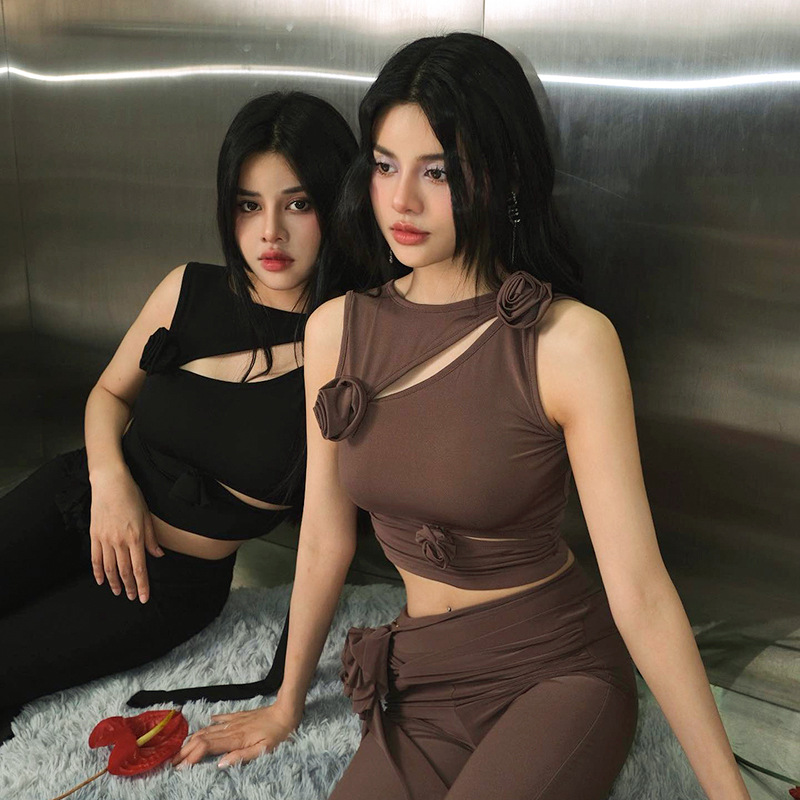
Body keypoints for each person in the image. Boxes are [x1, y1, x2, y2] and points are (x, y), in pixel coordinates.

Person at [174, 34, 751, 800]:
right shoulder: (335, 328)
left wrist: (728, 793)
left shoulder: (570, 342)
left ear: (501, 173)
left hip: (557, 671)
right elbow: (322, 538)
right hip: (423, 678)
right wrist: (285, 704)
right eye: (386, 166)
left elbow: (640, 590)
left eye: (438, 171)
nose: (401, 201)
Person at [0, 91, 363, 741]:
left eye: (297, 204)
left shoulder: (345, 344)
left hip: (162, 581)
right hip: (79, 498)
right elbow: (108, 396)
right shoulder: (188, 287)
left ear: (336, 206)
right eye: (248, 205)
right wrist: (111, 484)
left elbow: (325, 538)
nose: (270, 233)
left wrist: (287, 702)